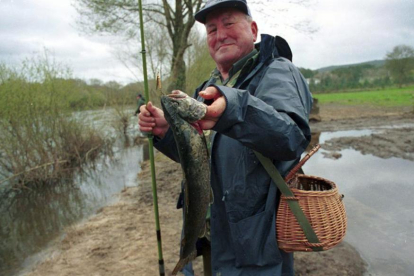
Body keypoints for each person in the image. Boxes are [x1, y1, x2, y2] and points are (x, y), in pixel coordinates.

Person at [138, 0, 313, 275]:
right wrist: (168, 133)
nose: (220, 35)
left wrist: (233, 108)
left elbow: (291, 137)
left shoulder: (278, 71)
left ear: (253, 29)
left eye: (229, 23)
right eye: (211, 29)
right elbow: (201, 156)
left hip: (254, 247)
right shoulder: (207, 88)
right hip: (208, 236)